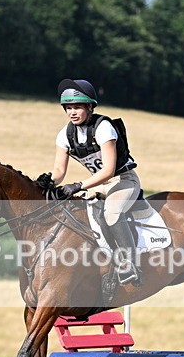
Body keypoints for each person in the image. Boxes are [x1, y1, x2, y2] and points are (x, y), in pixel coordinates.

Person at [40, 78, 143, 287]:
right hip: (97, 184)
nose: (72, 112)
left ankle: (129, 263)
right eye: (68, 108)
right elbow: (60, 170)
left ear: (90, 106)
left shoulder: (104, 127)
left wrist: (78, 185)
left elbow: (109, 170)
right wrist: (46, 182)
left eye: (77, 107)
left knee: (112, 214)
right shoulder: (65, 135)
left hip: (123, 181)